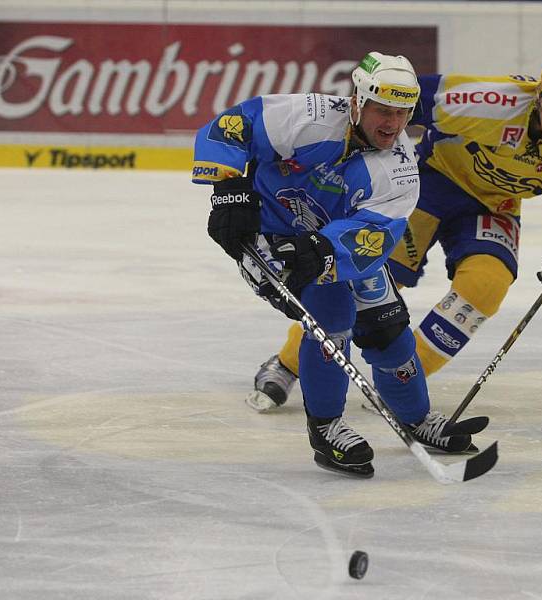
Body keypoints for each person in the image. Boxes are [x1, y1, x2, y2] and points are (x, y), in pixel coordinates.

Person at [247, 51, 542, 437]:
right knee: (368, 276)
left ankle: (404, 384)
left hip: (497, 208)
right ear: (540, 95)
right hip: (431, 183)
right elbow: (412, 98)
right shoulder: (493, 101)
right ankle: (288, 363)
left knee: (486, 285)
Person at [192, 52, 478, 479]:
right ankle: (326, 428)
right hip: (270, 236)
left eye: (402, 113)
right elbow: (233, 125)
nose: (392, 124)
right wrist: (231, 188)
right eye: (383, 110)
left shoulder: (399, 170)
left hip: (332, 244)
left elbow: (374, 235)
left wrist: (323, 251)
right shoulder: (309, 116)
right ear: (358, 101)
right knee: (331, 315)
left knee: (389, 333)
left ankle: (416, 419)